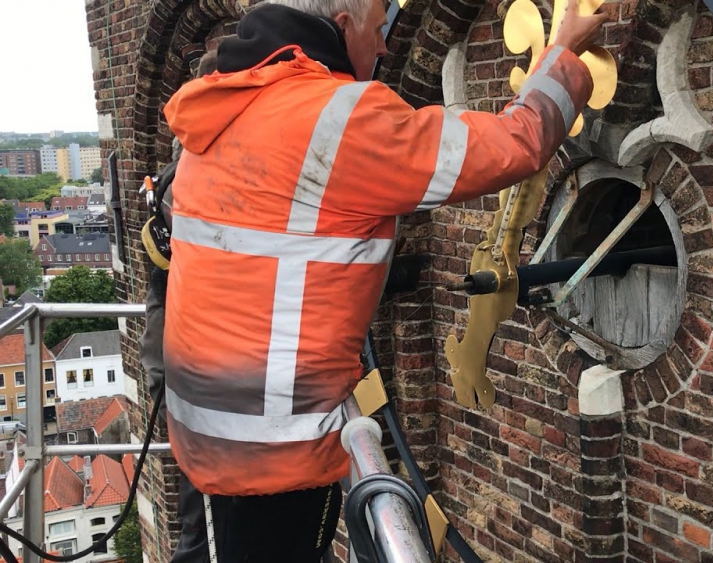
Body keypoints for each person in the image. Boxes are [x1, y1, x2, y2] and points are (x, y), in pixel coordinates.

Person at [160, 0, 607, 560]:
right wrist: (562, 52)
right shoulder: (338, 119)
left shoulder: (228, 100)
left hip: (206, 431)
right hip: (275, 453)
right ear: (343, 27)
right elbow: (510, 145)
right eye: (378, 31)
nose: (387, 46)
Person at [137, 48, 225, 563]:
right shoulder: (190, 178)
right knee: (207, 522)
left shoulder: (181, 170)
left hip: (186, 373)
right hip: (195, 375)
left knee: (206, 516)